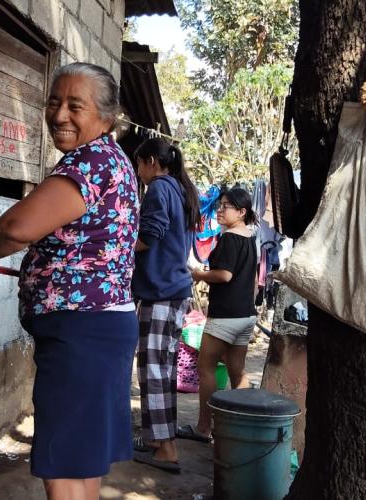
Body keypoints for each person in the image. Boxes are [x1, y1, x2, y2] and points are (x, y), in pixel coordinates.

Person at [0, 62, 139, 500]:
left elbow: (14, 229)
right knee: (81, 462)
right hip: (102, 326)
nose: (60, 115)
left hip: (80, 331)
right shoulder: (114, 161)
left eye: (75, 106)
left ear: (107, 116)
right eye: (54, 102)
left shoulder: (90, 162)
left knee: (64, 465)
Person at [130, 138, 200, 473]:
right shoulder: (181, 189)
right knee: (164, 368)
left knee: (153, 369)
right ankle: (160, 440)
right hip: (175, 290)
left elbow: (148, 237)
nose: (138, 172)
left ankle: (166, 448)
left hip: (161, 291)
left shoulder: (159, 188)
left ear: (151, 162)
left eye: (139, 164)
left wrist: (116, 244)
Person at [177, 186, 258, 443]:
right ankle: (244, 430)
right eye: (220, 205)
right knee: (237, 370)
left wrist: (199, 274)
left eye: (226, 206)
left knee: (206, 367)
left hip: (225, 316)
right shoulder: (249, 237)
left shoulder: (230, 238)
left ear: (241, 212)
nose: (220, 210)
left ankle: (204, 428)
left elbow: (224, 275)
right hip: (245, 315)